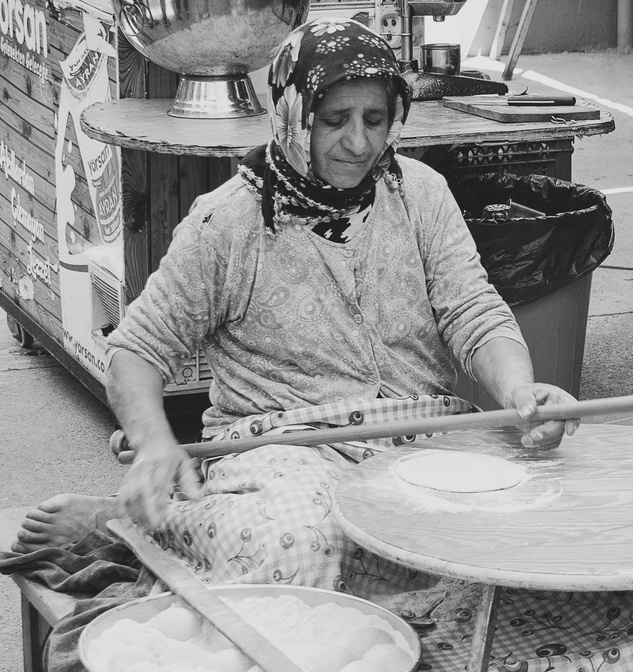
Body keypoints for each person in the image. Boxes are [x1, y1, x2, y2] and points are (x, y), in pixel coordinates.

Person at [13, 17, 577, 597]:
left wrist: (518, 394)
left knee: (534, 530)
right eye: (335, 121)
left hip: (423, 435)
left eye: (375, 120)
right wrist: (155, 442)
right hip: (286, 448)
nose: (359, 144)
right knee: (307, 547)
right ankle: (139, 525)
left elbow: (473, 312)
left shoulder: (422, 193)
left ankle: (180, 526)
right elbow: (136, 351)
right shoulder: (226, 222)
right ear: (291, 116)